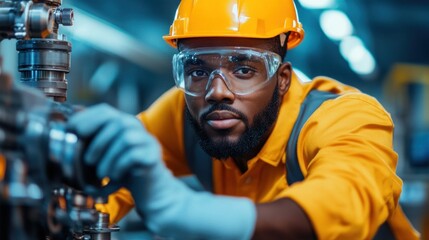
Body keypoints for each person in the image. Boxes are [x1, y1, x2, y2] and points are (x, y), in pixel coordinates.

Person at [67, 0, 420, 239]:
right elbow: (102, 185)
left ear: (282, 79)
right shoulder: (183, 111)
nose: (216, 91)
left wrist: (183, 208)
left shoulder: (346, 118)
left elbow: (341, 205)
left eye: (243, 68)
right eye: (196, 69)